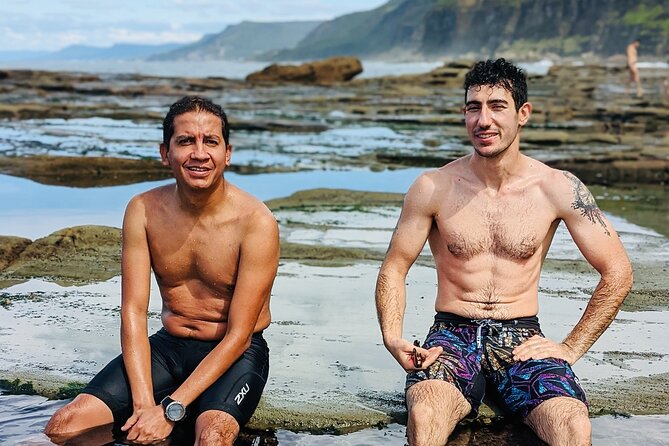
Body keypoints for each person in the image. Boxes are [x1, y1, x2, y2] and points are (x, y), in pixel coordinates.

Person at [375, 59, 633, 446]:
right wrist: (392, 337)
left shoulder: (557, 188)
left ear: (522, 114)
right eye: (473, 107)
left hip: (522, 337)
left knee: (573, 426)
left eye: (497, 106)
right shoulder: (433, 187)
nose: (483, 120)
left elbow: (618, 272)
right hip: (452, 335)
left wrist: (570, 348)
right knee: (426, 412)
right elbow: (394, 268)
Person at [45, 96, 280, 445]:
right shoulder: (143, 210)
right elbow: (134, 312)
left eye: (210, 141)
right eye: (186, 141)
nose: (199, 153)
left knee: (213, 438)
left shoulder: (256, 222)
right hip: (167, 348)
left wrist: (170, 408)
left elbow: (240, 335)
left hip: (235, 354)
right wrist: (143, 407)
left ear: (227, 153)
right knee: (63, 426)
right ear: (164, 152)